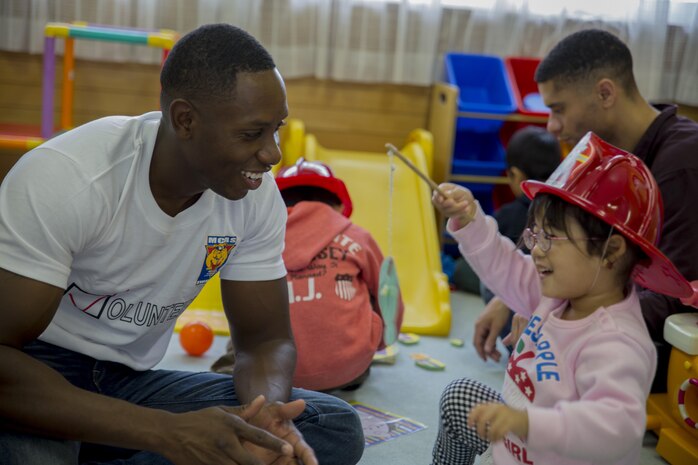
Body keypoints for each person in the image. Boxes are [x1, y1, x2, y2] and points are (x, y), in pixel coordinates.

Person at [0, 24, 364, 465]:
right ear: (185, 120)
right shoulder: (68, 177)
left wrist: (261, 419)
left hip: (129, 383)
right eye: (252, 134)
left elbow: (265, 341)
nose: (272, 155)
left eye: (276, 130)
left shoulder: (254, 194)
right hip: (37, 379)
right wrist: (167, 433)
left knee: (331, 425)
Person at [430, 132, 693, 464]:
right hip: (515, 444)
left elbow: (615, 427)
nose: (537, 249)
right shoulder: (559, 293)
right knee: (458, 398)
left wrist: (528, 423)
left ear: (610, 250)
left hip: (548, 447)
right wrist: (470, 220)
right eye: (535, 233)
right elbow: (507, 267)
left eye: (551, 237)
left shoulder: (616, 341)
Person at [474, 28, 698, 392]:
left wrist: (552, 314)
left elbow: (672, 299)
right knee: (500, 294)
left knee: (534, 317)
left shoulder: (682, 165)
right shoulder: (609, 154)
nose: (551, 126)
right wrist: (518, 297)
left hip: (654, 332)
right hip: (601, 288)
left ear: (605, 93)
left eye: (557, 109)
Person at [211, 157, 404, 392]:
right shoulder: (357, 237)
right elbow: (389, 296)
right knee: (373, 287)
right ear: (338, 206)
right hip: (346, 369)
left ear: (274, 203)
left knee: (252, 299)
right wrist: (380, 342)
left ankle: (229, 376)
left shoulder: (261, 239)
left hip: (271, 375)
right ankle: (351, 370)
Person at [470, 127, 561, 360]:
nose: (537, 249)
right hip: (532, 319)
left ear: (516, 175)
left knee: (485, 281)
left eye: (545, 237)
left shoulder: (508, 214)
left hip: (535, 335)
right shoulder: (561, 214)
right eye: (534, 237)